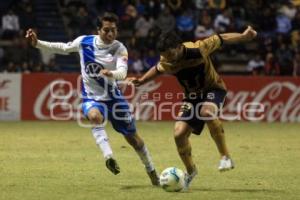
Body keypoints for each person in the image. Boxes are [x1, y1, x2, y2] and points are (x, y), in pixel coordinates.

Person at [25, 12, 159, 185]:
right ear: (98, 30)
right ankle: (109, 156)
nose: (110, 34)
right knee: (95, 117)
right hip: (91, 96)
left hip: (114, 98)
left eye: (113, 30)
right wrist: (37, 43)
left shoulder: (120, 48)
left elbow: (123, 72)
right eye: (106, 30)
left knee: (134, 139)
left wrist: (112, 74)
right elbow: (63, 47)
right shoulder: (84, 42)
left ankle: (151, 170)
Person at [128, 26, 257, 189]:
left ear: (179, 46)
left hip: (213, 89)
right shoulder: (167, 60)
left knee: (207, 112)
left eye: (170, 54)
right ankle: (191, 171)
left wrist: (244, 37)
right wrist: (142, 80)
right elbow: (158, 69)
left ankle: (225, 156)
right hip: (192, 97)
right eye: (165, 56)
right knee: (179, 134)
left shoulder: (198, 49)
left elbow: (221, 38)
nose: (169, 59)